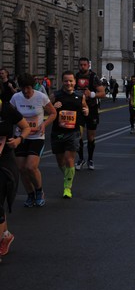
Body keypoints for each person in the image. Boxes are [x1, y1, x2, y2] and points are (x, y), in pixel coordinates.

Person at [10, 74, 57, 207]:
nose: (26, 91)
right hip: (20, 137)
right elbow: (9, 114)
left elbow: (53, 113)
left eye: (28, 88)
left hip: (36, 137)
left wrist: (44, 124)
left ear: (33, 86)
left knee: (31, 166)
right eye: (23, 88)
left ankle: (39, 191)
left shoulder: (41, 97)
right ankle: (30, 194)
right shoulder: (16, 98)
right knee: (21, 168)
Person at [0, 94, 30, 259]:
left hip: (4, 162)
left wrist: (19, 140)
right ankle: (5, 235)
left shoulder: (7, 109)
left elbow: (25, 127)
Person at [51, 71, 89, 199]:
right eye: (66, 81)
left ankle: (67, 187)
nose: (69, 83)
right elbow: (46, 110)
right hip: (58, 132)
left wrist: (86, 110)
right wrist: (53, 107)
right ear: (62, 81)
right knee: (60, 161)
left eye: (71, 81)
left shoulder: (80, 95)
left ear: (75, 82)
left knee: (69, 159)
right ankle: (69, 174)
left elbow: (85, 107)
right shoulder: (55, 95)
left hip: (73, 132)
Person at [74, 57, 105, 171]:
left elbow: (102, 93)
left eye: (84, 65)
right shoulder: (75, 77)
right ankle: (81, 159)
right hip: (78, 109)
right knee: (78, 136)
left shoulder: (94, 77)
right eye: (81, 65)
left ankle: (90, 159)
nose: (82, 67)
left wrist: (91, 94)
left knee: (91, 136)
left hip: (91, 109)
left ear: (88, 65)